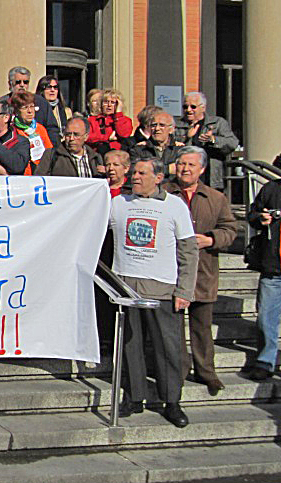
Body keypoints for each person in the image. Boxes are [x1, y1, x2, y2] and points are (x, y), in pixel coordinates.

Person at [109, 156, 197, 428]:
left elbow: (189, 251)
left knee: (168, 348)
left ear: (158, 178)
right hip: (127, 288)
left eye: (142, 173)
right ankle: (134, 397)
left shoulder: (174, 206)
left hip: (163, 290)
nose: (135, 177)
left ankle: (171, 401)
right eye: (134, 172)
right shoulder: (118, 203)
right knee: (130, 345)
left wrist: (185, 290)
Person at [164, 147, 238, 394]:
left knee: (202, 326)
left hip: (204, 271)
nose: (184, 169)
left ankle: (207, 372)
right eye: (181, 164)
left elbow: (230, 229)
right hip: (171, 271)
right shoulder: (165, 193)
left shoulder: (216, 198)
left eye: (191, 165)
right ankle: (179, 370)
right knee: (174, 328)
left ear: (202, 170)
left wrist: (211, 239)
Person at [244, 172, 281, 381]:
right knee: (266, 318)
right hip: (273, 267)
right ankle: (265, 362)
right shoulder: (271, 189)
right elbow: (252, 215)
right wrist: (260, 218)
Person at [174, 91, 239, 190]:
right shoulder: (177, 125)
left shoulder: (217, 123)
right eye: (185, 107)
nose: (188, 110)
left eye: (193, 107)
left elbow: (232, 143)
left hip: (211, 176)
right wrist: (186, 137)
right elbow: (170, 148)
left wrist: (213, 140)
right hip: (185, 176)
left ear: (203, 108)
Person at [0, 67, 60, 141]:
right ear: (10, 84)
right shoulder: (2, 104)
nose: (22, 85)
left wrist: (51, 150)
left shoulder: (40, 102)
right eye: (18, 82)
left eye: (25, 82)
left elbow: (52, 129)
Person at [35, 117, 104, 178]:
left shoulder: (95, 158)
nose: (71, 138)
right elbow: (39, 180)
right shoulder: (51, 155)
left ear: (86, 136)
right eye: (68, 134)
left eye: (76, 135)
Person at [10, 90, 53, 172]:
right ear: (16, 111)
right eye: (25, 108)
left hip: (41, 172)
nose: (30, 111)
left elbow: (49, 153)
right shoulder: (12, 131)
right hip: (22, 175)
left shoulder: (40, 128)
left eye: (32, 106)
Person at [130, 108, 180, 176]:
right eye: (154, 125)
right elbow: (134, 170)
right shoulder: (139, 149)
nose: (157, 129)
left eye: (162, 125)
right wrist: (167, 169)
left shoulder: (180, 150)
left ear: (171, 129)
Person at [86, 88, 132, 156]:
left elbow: (123, 134)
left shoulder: (125, 120)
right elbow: (88, 137)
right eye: (106, 102)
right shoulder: (92, 120)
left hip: (118, 155)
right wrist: (107, 138)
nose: (109, 105)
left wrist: (118, 113)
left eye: (113, 102)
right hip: (98, 155)